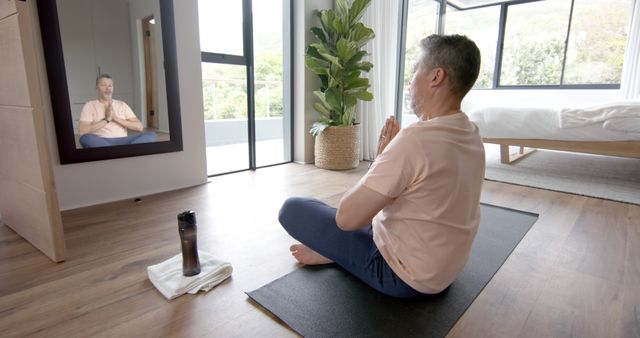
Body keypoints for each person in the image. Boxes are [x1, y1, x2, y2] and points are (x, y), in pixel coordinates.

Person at [278, 34, 485, 299]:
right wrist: (388, 163)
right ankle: (337, 252)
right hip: (445, 270)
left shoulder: (415, 139)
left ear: (436, 77)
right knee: (369, 211)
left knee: (293, 208)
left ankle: (336, 254)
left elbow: (346, 219)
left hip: (402, 277)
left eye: (415, 71)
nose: (411, 82)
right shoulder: (471, 134)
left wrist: (379, 163)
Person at [78, 74, 156, 148]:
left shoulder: (122, 104)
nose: (108, 88)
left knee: (151, 135)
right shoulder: (90, 105)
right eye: (103, 85)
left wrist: (115, 118)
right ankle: (124, 152)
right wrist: (106, 120)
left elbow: (139, 127)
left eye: (110, 85)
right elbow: (82, 131)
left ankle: (112, 153)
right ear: (97, 87)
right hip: (101, 140)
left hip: (123, 141)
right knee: (86, 138)